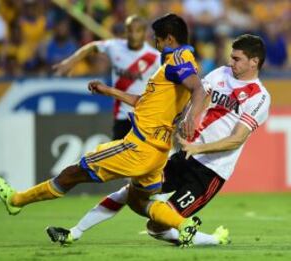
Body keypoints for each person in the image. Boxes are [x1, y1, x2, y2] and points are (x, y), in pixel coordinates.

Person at [0, 13, 206, 247]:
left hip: (139, 146)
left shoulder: (177, 59)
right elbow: (143, 101)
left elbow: (198, 89)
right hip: (157, 154)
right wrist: (109, 91)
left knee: (73, 173)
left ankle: (17, 200)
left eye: (158, 39)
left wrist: (190, 118)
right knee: (138, 202)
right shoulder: (181, 62)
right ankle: (184, 225)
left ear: (170, 39)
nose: (155, 44)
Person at [47, 34, 270, 247]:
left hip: (210, 172)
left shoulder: (259, 96)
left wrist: (199, 146)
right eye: (231, 56)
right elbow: (200, 96)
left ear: (254, 62)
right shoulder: (220, 73)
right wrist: (188, 119)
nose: (230, 62)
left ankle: (213, 239)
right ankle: (73, 232)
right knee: (131, 191)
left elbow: (236, 140)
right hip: (184, 156)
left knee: (157, 226)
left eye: (237, 58)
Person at [52, 15, 160, 139]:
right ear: (126, 31)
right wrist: (70, 62)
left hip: (143, 117)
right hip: (121, 116)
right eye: (130, 30)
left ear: (144, 33)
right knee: (120, 157)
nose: (133, 35)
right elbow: (92, 47)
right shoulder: (115, 46)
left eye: (138, 31)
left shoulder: (155, 57)